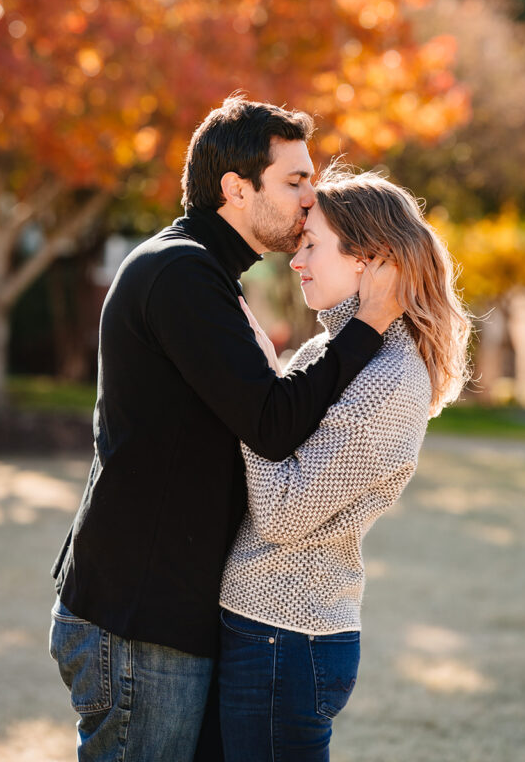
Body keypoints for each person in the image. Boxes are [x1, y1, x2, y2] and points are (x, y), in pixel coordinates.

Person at [49, 97, 401, 762]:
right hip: (139, 617)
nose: (311, 197)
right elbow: (271, 422)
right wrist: (367, 327)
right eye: (294, 181)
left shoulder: (203, 273)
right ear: (236, 189)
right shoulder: (179, 273)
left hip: (163, 611)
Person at [218, 166, 471, 761]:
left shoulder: (389, 380)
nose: (295, 262)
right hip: (260, 629)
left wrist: (254, 393)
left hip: (285, 636)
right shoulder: (332, 349)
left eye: (311, 245)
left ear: (371, 260)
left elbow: (282, 512)